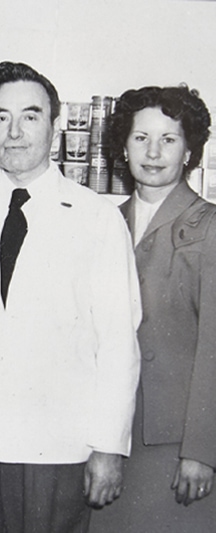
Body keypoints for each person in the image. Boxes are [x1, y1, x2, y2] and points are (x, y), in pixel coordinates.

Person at [0, 61, 142, 533]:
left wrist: (109, 446)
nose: (14, 132)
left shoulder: (97, 218)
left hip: (57, 448)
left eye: (30, 116)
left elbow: (117, 342)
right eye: (0, 117)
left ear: (56, 126)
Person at [89, 85, 216, 533]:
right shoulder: (102, 222)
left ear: (189, 151)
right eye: (141, 137)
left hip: (177, 443)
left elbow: (214, 350)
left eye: (169, 139)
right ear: (122, 147)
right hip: (109, 436)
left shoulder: (211, 226)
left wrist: (202, 451)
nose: (154, 151)